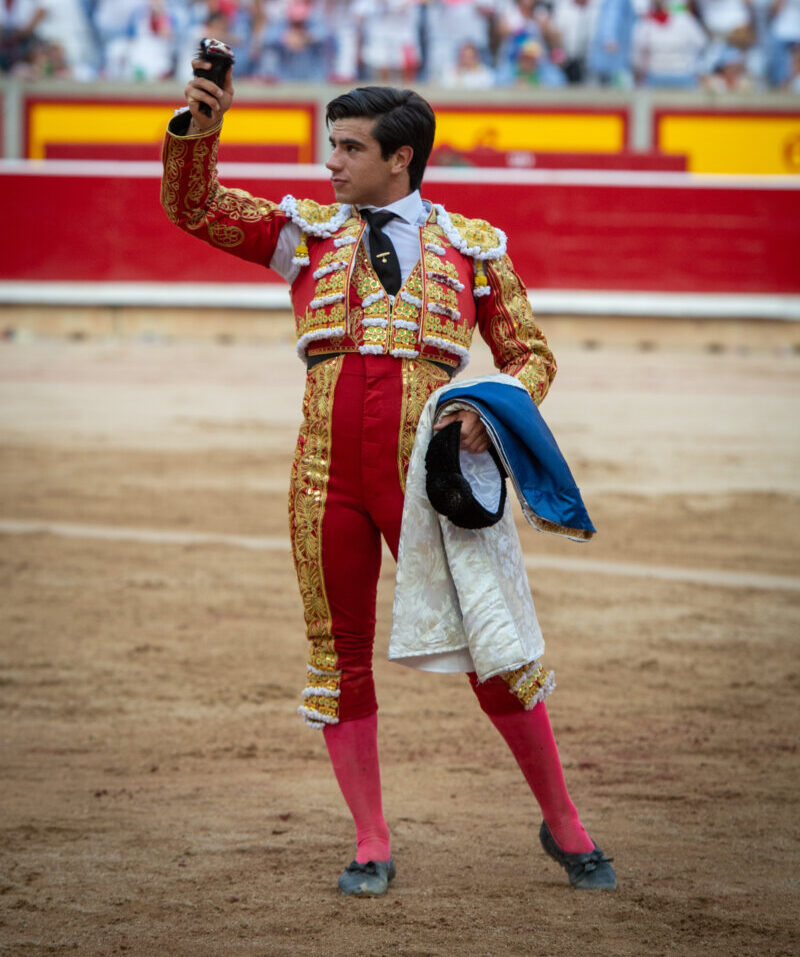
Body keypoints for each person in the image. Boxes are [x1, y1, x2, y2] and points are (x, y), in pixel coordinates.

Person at [160, 56, 617, 897]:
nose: (330, 163)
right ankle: (371, 839)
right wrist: (201, 127)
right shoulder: (307, 233)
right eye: (331, 146)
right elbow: (193, 206)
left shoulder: (473, 249)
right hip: (324, 474)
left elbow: (531, 354)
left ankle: (566, 824)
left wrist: (488, 414)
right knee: (339, 655)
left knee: (496, 647)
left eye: (347, 148)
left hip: (428, 482)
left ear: (400, 156)